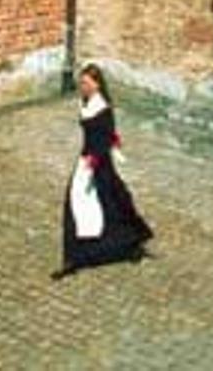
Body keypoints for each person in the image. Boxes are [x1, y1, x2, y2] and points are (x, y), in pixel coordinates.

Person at [56, 64, 152, 277]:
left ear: (97, 84)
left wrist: (95, 159)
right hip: (87, 159)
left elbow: (106, 135)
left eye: (86, 83)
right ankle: (73, 258)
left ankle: (131, 243)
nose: (82, 87)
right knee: (76, 205)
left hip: (97, 163)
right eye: (81, 83)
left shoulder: (103, 108)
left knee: (112, 204)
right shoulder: (87, 102)